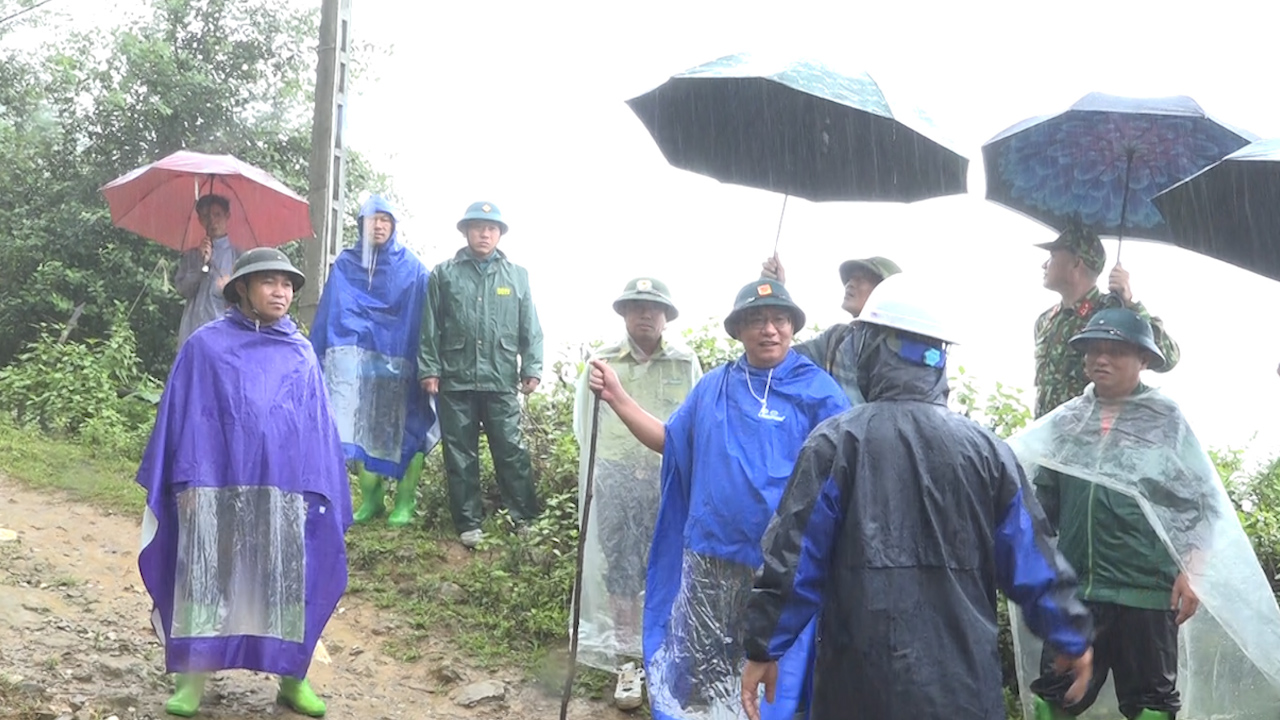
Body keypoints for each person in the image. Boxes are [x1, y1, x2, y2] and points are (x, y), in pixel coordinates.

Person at [739, 273, 1095, 720]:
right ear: (938, 358)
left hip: (859, 688)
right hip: (963, 693)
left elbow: (793, 560)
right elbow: (1032, 558)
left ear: (871, 345)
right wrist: (1070, 633)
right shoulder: (987, 452)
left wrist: (763, 647)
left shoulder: (836, 443)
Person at [589, 278, 849, 720]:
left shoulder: (819, 394)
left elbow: (843, 479)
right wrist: (616, 397)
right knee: (704, 682)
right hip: (710, 566)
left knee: (770, 681)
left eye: (779, 319)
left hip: (780, 575)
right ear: (739, 329)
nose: (769, 329)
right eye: (756, 320)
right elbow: (671, 441)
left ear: (792, 327)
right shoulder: (714, 387)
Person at [1008, 308, 1280, 720]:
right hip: (1080, 591)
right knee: (1057, 693)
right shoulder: (1069, 421)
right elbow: (1042, 502)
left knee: (1151, 704)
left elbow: (1203, 500)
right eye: (1092, 350)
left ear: (1145, 360)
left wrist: (1193, 571)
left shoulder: (1165, 421)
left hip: (1146, 593)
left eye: (1115, 351)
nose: (1100, 359)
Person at [136, 248, 351, 718]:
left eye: (289, 284)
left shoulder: (300, 352)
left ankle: (293, 679)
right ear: (243, 290)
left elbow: (315, 429)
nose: (282, 292)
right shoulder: (205, 347)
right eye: (270, 282)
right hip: (216, 483)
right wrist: (186, 481)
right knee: (206, 574)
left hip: (283, 488)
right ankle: (191, 677)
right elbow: (188, 417)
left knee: (285, 580)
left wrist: (317, 489)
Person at [572, 277, 703, 710]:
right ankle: (629, 662)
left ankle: (668, 658)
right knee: (622, 572)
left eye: (654, 307)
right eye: (636, 306)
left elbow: (697, 428)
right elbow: (582, 426)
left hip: (668, 481)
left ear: (666, 315)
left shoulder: (686, 364)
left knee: (672, 568)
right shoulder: (602, 363)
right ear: (623, 313)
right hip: (615, 478)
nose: (645, 314)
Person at [418, 201, 543, 548]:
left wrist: (532, 365)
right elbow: (430, 327)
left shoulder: (517, 275)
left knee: (511, 450)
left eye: (491, 228)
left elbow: (529, 325)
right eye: (477, 227)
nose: (484, 234)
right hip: (455, 378)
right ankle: (469, 522)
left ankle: (525, 518)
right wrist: (429, 368)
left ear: (500, 234)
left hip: (502, 377)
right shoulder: (443, 274)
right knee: (460, 452)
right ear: (465, 231)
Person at [310, 194, 438, 528]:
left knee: (408, 427)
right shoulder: (346, 265)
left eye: (385, 220)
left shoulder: (412, 268)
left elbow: (426, 318)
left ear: (394, 226)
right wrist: (319, 355)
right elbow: (330, 314)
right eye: (372, 219)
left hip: (400, 364)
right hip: (356, 366)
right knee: (357, 426)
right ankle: (372, 499)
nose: (378, 225)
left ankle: (405, 502)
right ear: (361, 225)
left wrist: (427, 364)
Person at [1034, 222, 1178, 418]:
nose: (1044, 265)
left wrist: (1129, 302)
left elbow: (1168, 358)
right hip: (1047, 437)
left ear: (1076, 262)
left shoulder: (1112, 312)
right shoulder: (1046, 320)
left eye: (1052, 256)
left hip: (1091, 440)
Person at [760, 252, 901, 404]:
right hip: (840, 426)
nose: (850, 284)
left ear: (886, 291)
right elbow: (781, 360)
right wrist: (774, 293)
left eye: (861, 279)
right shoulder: (837, 338)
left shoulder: (905, 345)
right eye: (849, 279)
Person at [174, 194, 242, 349]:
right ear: (200, 220)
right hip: (191, 335)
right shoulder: (191, 256)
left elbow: (247, 302)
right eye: (206, 216)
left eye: (217, 214)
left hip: (223, 339)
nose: (212, 221)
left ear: (227, 216)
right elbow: (183, 290)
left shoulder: (238, 257)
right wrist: (201, 265)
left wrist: (231, 289)